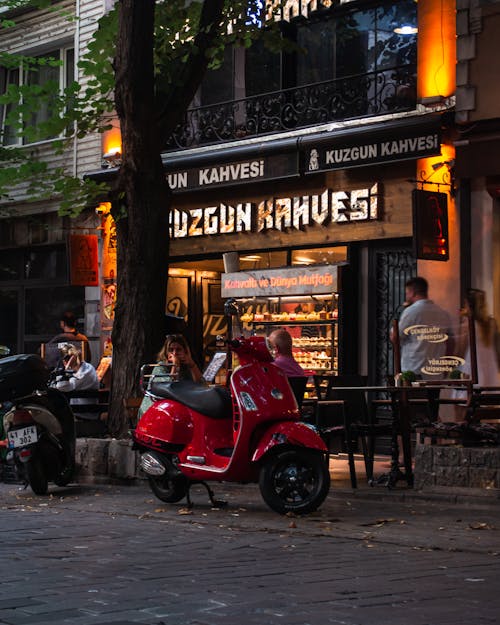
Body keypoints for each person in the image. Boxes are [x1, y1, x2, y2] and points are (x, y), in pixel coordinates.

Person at [392, 276, 452, 379]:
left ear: (412, 292)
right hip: (435, 372)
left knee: (413, 396)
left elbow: (395, 336)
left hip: (413, 371)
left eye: (407, 293)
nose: (406, 296)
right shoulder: (443, 313)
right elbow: (450, 342)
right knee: (433, 396)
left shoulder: (411, 311)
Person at [138, 334, 202, 418]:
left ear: (185, 351)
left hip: (176, 410)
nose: (174, 353)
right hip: (154, 410)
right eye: (171, 350)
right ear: (166, 352)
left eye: (178, 350)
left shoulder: (186, 367)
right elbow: (168, 388)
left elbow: (201, 386)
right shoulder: (160, 367)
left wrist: (192, 364)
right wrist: (175, 366)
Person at [457, 289, 500, 386]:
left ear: (468, 305)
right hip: (490, 365)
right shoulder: (492, 323)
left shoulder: (467, 323)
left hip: (471, 366)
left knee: (469, 396)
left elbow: (461, 349)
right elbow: (497, 349)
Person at [52, 344, 99, 416]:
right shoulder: (88, 367)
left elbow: (61, 387)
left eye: (65, 359)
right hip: (86, 411)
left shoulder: (83, 373)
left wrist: (65, 369)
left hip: (82, 414)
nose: (64, 361)